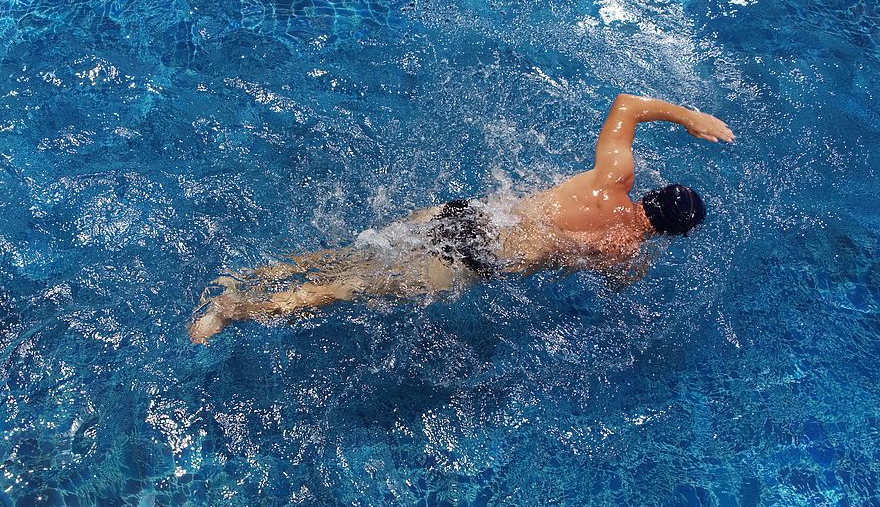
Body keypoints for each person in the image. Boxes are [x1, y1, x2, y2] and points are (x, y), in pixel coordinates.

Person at [189, 93, 734, 344]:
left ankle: (246, 278)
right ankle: (235, 311)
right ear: (670, 232)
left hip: (472, 215)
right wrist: (641, 256)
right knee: (346, 291)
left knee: (351, 256)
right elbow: (615, 293)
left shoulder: (612, 176)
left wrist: (689, 117)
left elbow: (627, 105)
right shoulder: (626, 250)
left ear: (654, 191)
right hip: (481, 259)